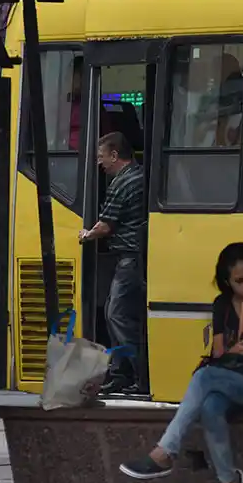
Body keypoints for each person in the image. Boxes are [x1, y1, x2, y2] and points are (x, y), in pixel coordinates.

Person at [119, 242, 243, 483]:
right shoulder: (222, 305)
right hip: (232, 381)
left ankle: (164, 452)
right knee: (210, 406)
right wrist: (235, 347)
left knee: (205, 377)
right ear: (227, 282)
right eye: (240, 281)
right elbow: (220, 352)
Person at [78, 132, 146, 394]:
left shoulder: (121, 183)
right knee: (114, 312)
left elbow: (105, 225)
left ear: (115, 155)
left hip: (129, 258)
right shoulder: (139, 175)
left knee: (116, 314)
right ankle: (120, 373)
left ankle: (139, 372)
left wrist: (86, 235)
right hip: (133, 257)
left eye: (101, 157)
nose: (100, 163)